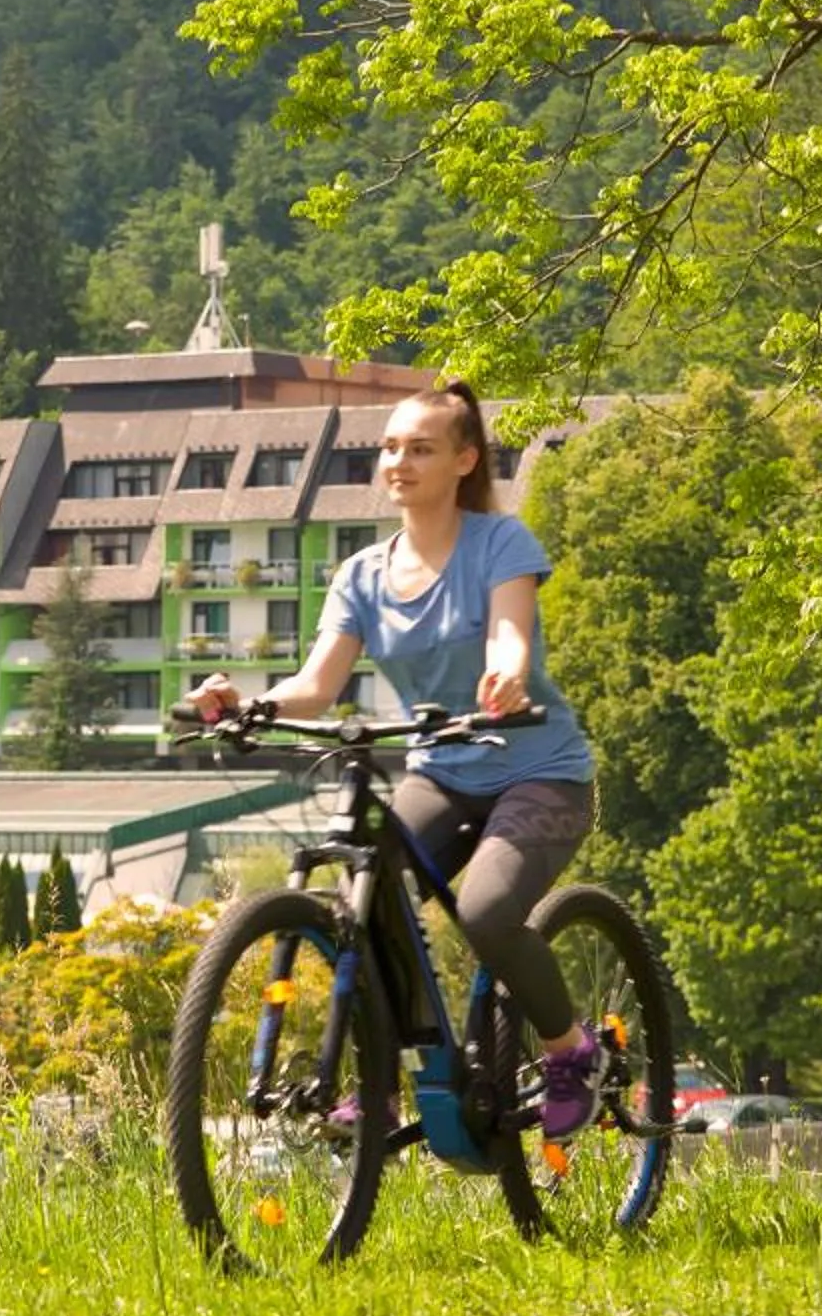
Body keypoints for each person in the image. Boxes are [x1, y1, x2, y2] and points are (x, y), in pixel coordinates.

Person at [184, 381, 605, 1137]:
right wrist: (250, 705)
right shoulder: (362, 575)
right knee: (367, 893)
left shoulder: (498, 544)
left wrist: (506, 673)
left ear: (463, 460)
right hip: (441, 770)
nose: (398, 462)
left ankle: (570, 1051)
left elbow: (510, 633)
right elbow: (317, 686)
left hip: (538, 771)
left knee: (484, 911)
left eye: (420, 448)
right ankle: (384, 1085)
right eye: (389, 448)